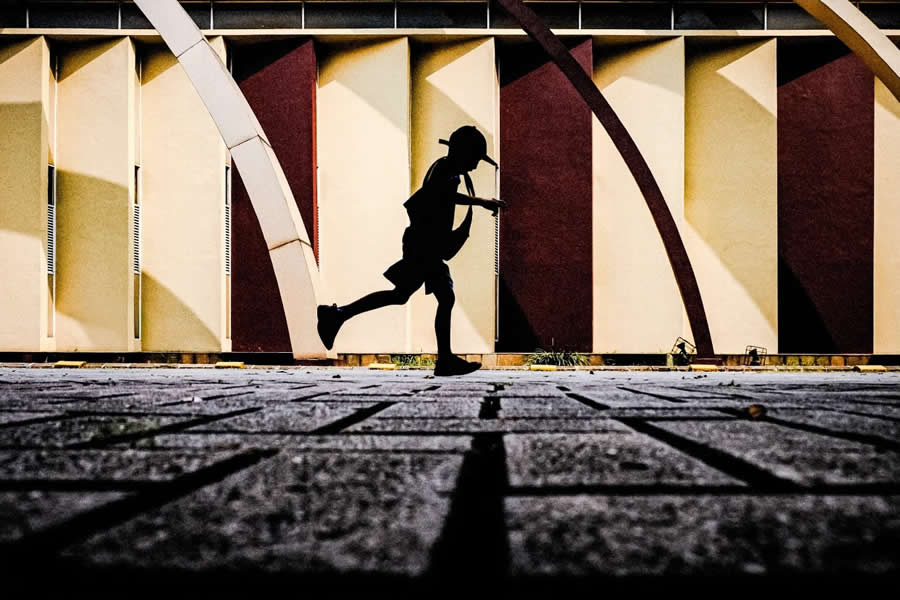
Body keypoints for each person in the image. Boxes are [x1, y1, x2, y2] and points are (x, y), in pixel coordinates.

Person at [316, 125, 505, 376]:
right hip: (423, 246)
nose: (474, 166)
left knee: (401, 295)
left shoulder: (450, 172)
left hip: (425, 245)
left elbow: (447, 196)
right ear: (461, 152)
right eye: (473, 159)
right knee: (443, 298)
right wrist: (480, 202)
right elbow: (444, 195)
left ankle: (337, 315)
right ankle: (445, 360)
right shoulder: (444, 170)